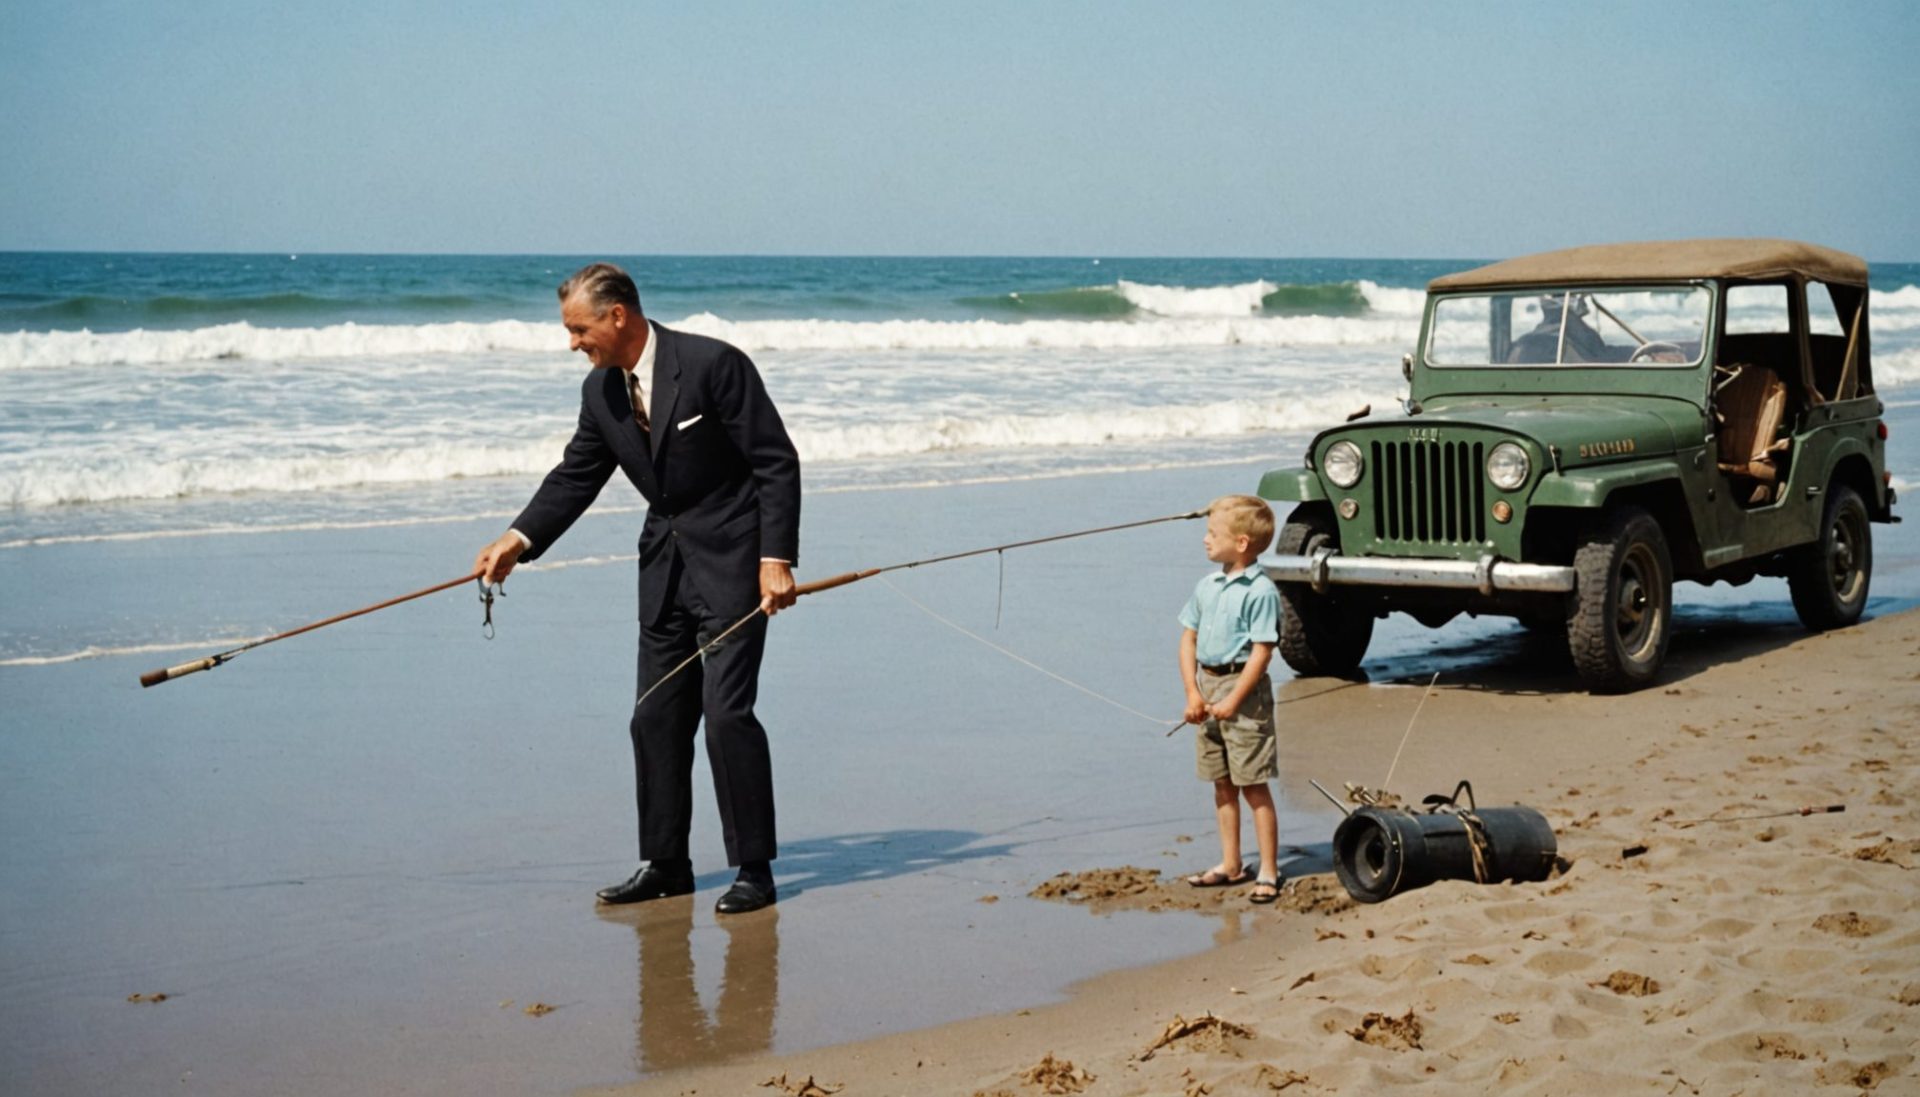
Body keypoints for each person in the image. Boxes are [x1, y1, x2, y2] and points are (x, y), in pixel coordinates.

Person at [474, 262, 800, 915]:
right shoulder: (602, 393)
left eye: (578, 328)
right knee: (654, 715)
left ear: (617, 315)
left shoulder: (713, 365)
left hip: (735, 562)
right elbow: (577, 474)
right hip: (663, 569)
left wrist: (775, 559)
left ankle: (753, 869)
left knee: (727, 715)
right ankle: (667, 864)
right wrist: (519, 537)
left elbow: (775, 460)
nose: (573, 343)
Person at [1176, 494, 1283, 904]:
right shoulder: (1207, 586)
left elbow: (1262, 651)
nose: (1205, 540)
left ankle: (1269, 871)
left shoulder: (1260, 590)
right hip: (1208, 685)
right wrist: (1193, 692)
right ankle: (1230, 863)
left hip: (1245, 692)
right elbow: (1188, 638)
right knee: (1221, 784)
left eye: (1213, 533)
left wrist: (1234, 700)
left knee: (1252, 785)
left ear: (1240, 543)